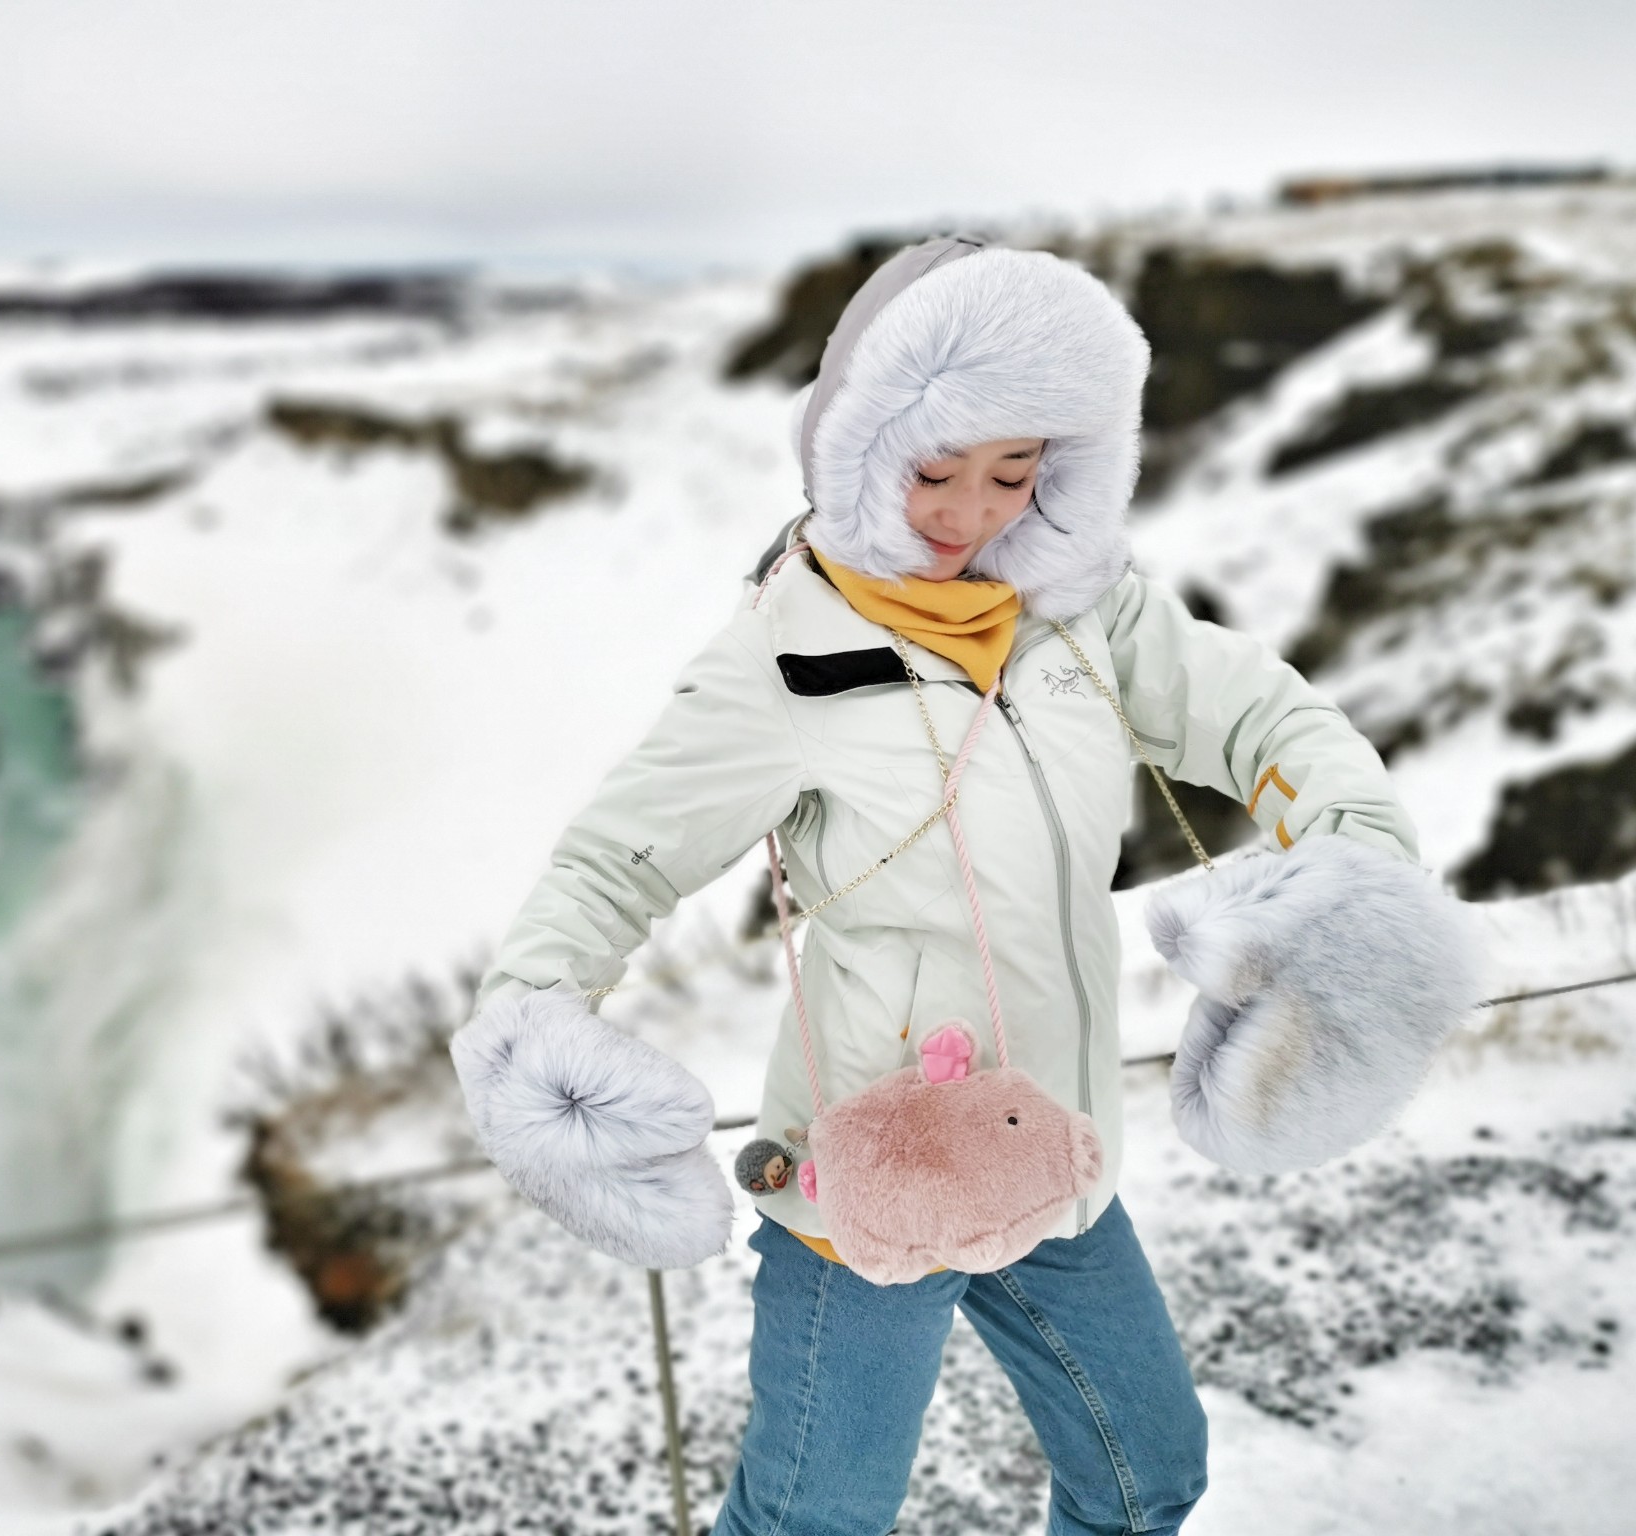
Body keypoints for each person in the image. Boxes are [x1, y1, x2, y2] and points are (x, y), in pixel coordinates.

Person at [450, 237, 1478, 1534]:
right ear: (862, 448)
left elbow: (1265, 720)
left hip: (1051, 1157)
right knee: (818, 1522)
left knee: (1145, 1472)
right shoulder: (786, 657)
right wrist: (537, 1013)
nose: (968, 513)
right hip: (867, 1179)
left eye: (1015, 473)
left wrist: (1352, 860)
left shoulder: (1085, 618)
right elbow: (617, 857)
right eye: (936, 470)